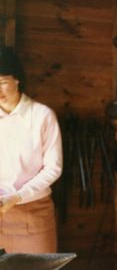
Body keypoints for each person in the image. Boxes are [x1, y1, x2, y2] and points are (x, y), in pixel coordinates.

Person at [0, 46, 62, 253]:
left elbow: (53, 168)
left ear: (17, 79)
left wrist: (18, 196)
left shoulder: (42, 115)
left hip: (33, 212)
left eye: (2, 83)